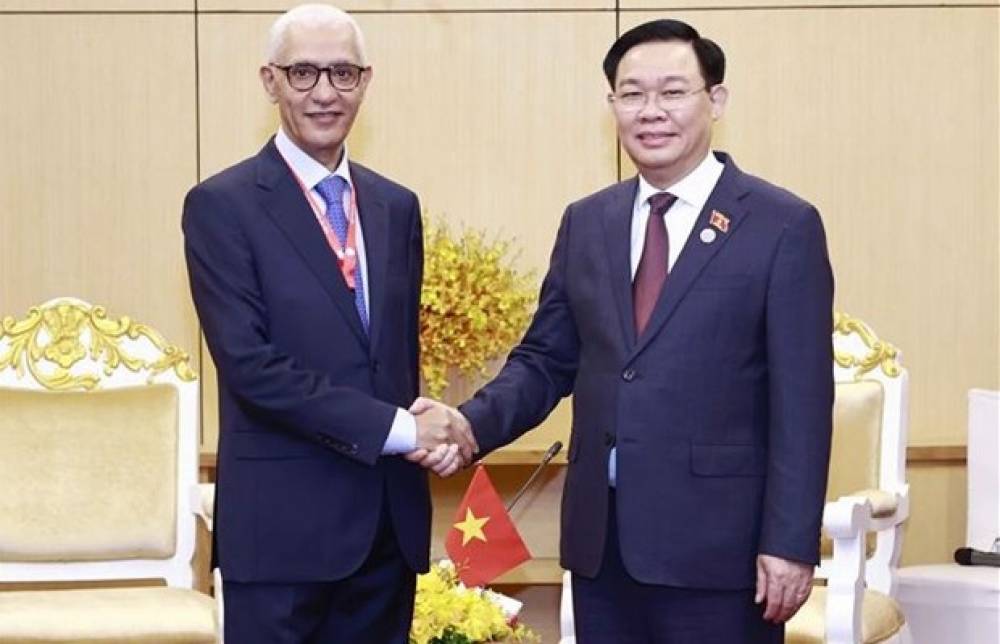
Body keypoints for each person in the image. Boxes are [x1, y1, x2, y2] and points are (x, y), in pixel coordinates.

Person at [423, 18, 835, 643]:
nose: (651, 111)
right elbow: (545, 360)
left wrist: (789, 541)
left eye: (673, 92)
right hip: (603, 546)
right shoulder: (590, 222)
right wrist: (469, 424)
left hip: (720, 553)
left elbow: (804, 403)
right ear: (611, 104)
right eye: (632, 93)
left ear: (715, 100)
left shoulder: (781, 225)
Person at [182, 4, 475, 642]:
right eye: (303, 73)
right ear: (270, 81)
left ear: (365, 81)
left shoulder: (396, 207)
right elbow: (252, 368)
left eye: (342, 73)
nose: (324, 92)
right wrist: (402, 429)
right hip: (282, 534)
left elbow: (391, 359)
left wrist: (432, 430)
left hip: (385, 530)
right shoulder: (221, 207)